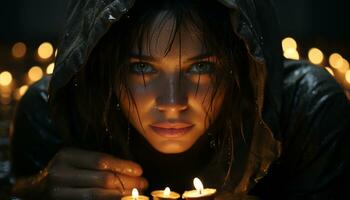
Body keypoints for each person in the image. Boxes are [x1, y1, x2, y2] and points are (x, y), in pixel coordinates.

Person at [10, 0, 350, 199]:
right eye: (141, 67)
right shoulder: (55, 115)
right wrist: (34, 191)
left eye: (200, 67)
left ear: (241, 61)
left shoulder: (307, 112)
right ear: (105, 67)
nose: (172, 102)